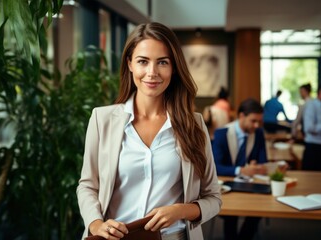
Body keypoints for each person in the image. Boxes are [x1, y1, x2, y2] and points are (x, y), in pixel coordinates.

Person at [76, 22, 221, 240]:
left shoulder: (194, 125)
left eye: (162, 62)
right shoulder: (102, 119)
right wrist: (96, 225)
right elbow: (87, 185)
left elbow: (213, 198)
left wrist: (180, 210)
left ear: (173, 67)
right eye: (143, 61)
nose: (152, 73)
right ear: (130, 64)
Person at [212, 98, 267, 240]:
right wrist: (240, 170)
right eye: (253, 121)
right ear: (241, 116)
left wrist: (258, 166)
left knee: (258, 210)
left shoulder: (258, 133)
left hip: (251, 185)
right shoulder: (221, 134)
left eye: (259, 122)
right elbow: (215, 167)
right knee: (231, 215)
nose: (256, 125)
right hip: (227, 187)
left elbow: (263, 161)